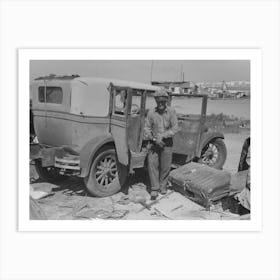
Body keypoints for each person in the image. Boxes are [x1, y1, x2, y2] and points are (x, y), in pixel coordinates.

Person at [144, 89, 179, 200]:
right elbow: (146, 128)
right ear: (156, 101)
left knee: (165, 166)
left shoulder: (172, 112)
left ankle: (163, 187)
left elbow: (175, 128)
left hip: (167, 143)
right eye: (159, 102)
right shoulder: (151, 112)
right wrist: (154, 138)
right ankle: (154, 189)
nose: (161, 104)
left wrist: (162, 136)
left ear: (166, 102)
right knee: (152, 165)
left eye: (163, 102)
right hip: (153, 143)